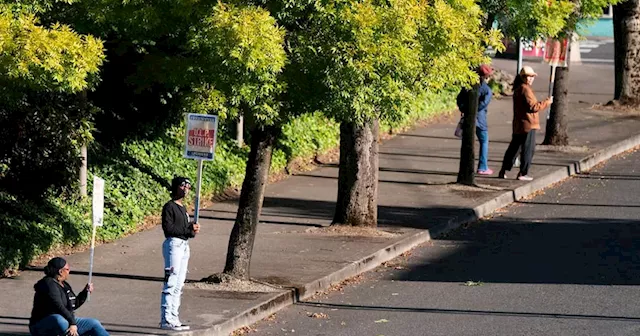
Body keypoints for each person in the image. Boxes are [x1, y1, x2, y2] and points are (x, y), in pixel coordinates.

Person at [498, 66, 553, 181]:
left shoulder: (518, 88)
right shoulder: (525, 89)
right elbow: (533, 107)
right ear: (523, 77)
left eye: (532, 77)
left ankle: (503, 170)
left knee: (514, 149)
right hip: (529, 124)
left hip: (519, 124)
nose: (531, 79)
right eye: (529, 76)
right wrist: (547, 102)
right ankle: (523, 173)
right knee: (528, 149)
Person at [29, 257, 109, 336]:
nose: (69, 271)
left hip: (66, 320)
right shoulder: (48, 285)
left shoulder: (64, 284)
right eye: (67, 269)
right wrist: (72, 323)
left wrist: (85, 293)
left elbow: (73, 304)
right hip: (41, 325)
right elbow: (58, 306)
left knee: (93, 323)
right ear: (60, 271)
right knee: (60, 321)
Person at [160, 177, 200, 331]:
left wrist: (192, 229)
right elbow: (169, 229)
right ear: (175, 187)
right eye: (183, 185)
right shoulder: (169, 207)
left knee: (179, 284)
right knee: (171, 281)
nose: (185, 189)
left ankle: (174, 317)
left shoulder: (183, 209)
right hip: (174, 245)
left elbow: (185, 230)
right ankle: (166, 319)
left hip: (184, 246)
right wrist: (188, 230)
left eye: (188, 186)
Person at [456, 64, 495, 175]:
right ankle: (482, 166)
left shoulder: (468, 86)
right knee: (484, 141)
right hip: (480, 120)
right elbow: (483, 104)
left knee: (467, 142)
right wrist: (474, 110)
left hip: (467, 117)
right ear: (486, 77)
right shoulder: (486, 90)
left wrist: (465, 109)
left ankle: (465, 167)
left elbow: (459, 99)